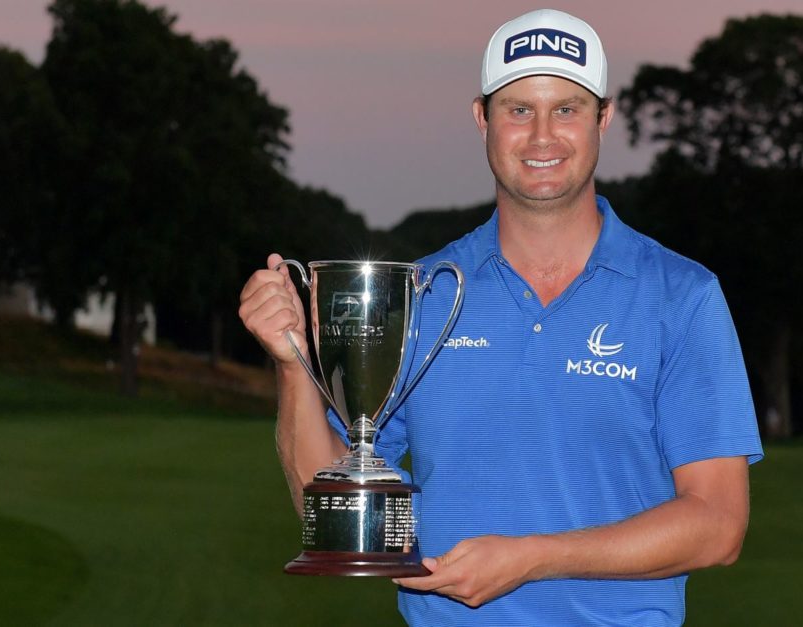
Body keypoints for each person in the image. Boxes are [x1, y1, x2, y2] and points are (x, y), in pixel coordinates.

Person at [239, 9, 763, 626]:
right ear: (481, 118)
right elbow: (326, 506)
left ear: (604, 117)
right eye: (518, 110)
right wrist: (295, 362)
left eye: (566, 109)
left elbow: (718, 524)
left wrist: (532, 559)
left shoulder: (682, 295)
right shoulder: (424, 292)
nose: (542, 136)